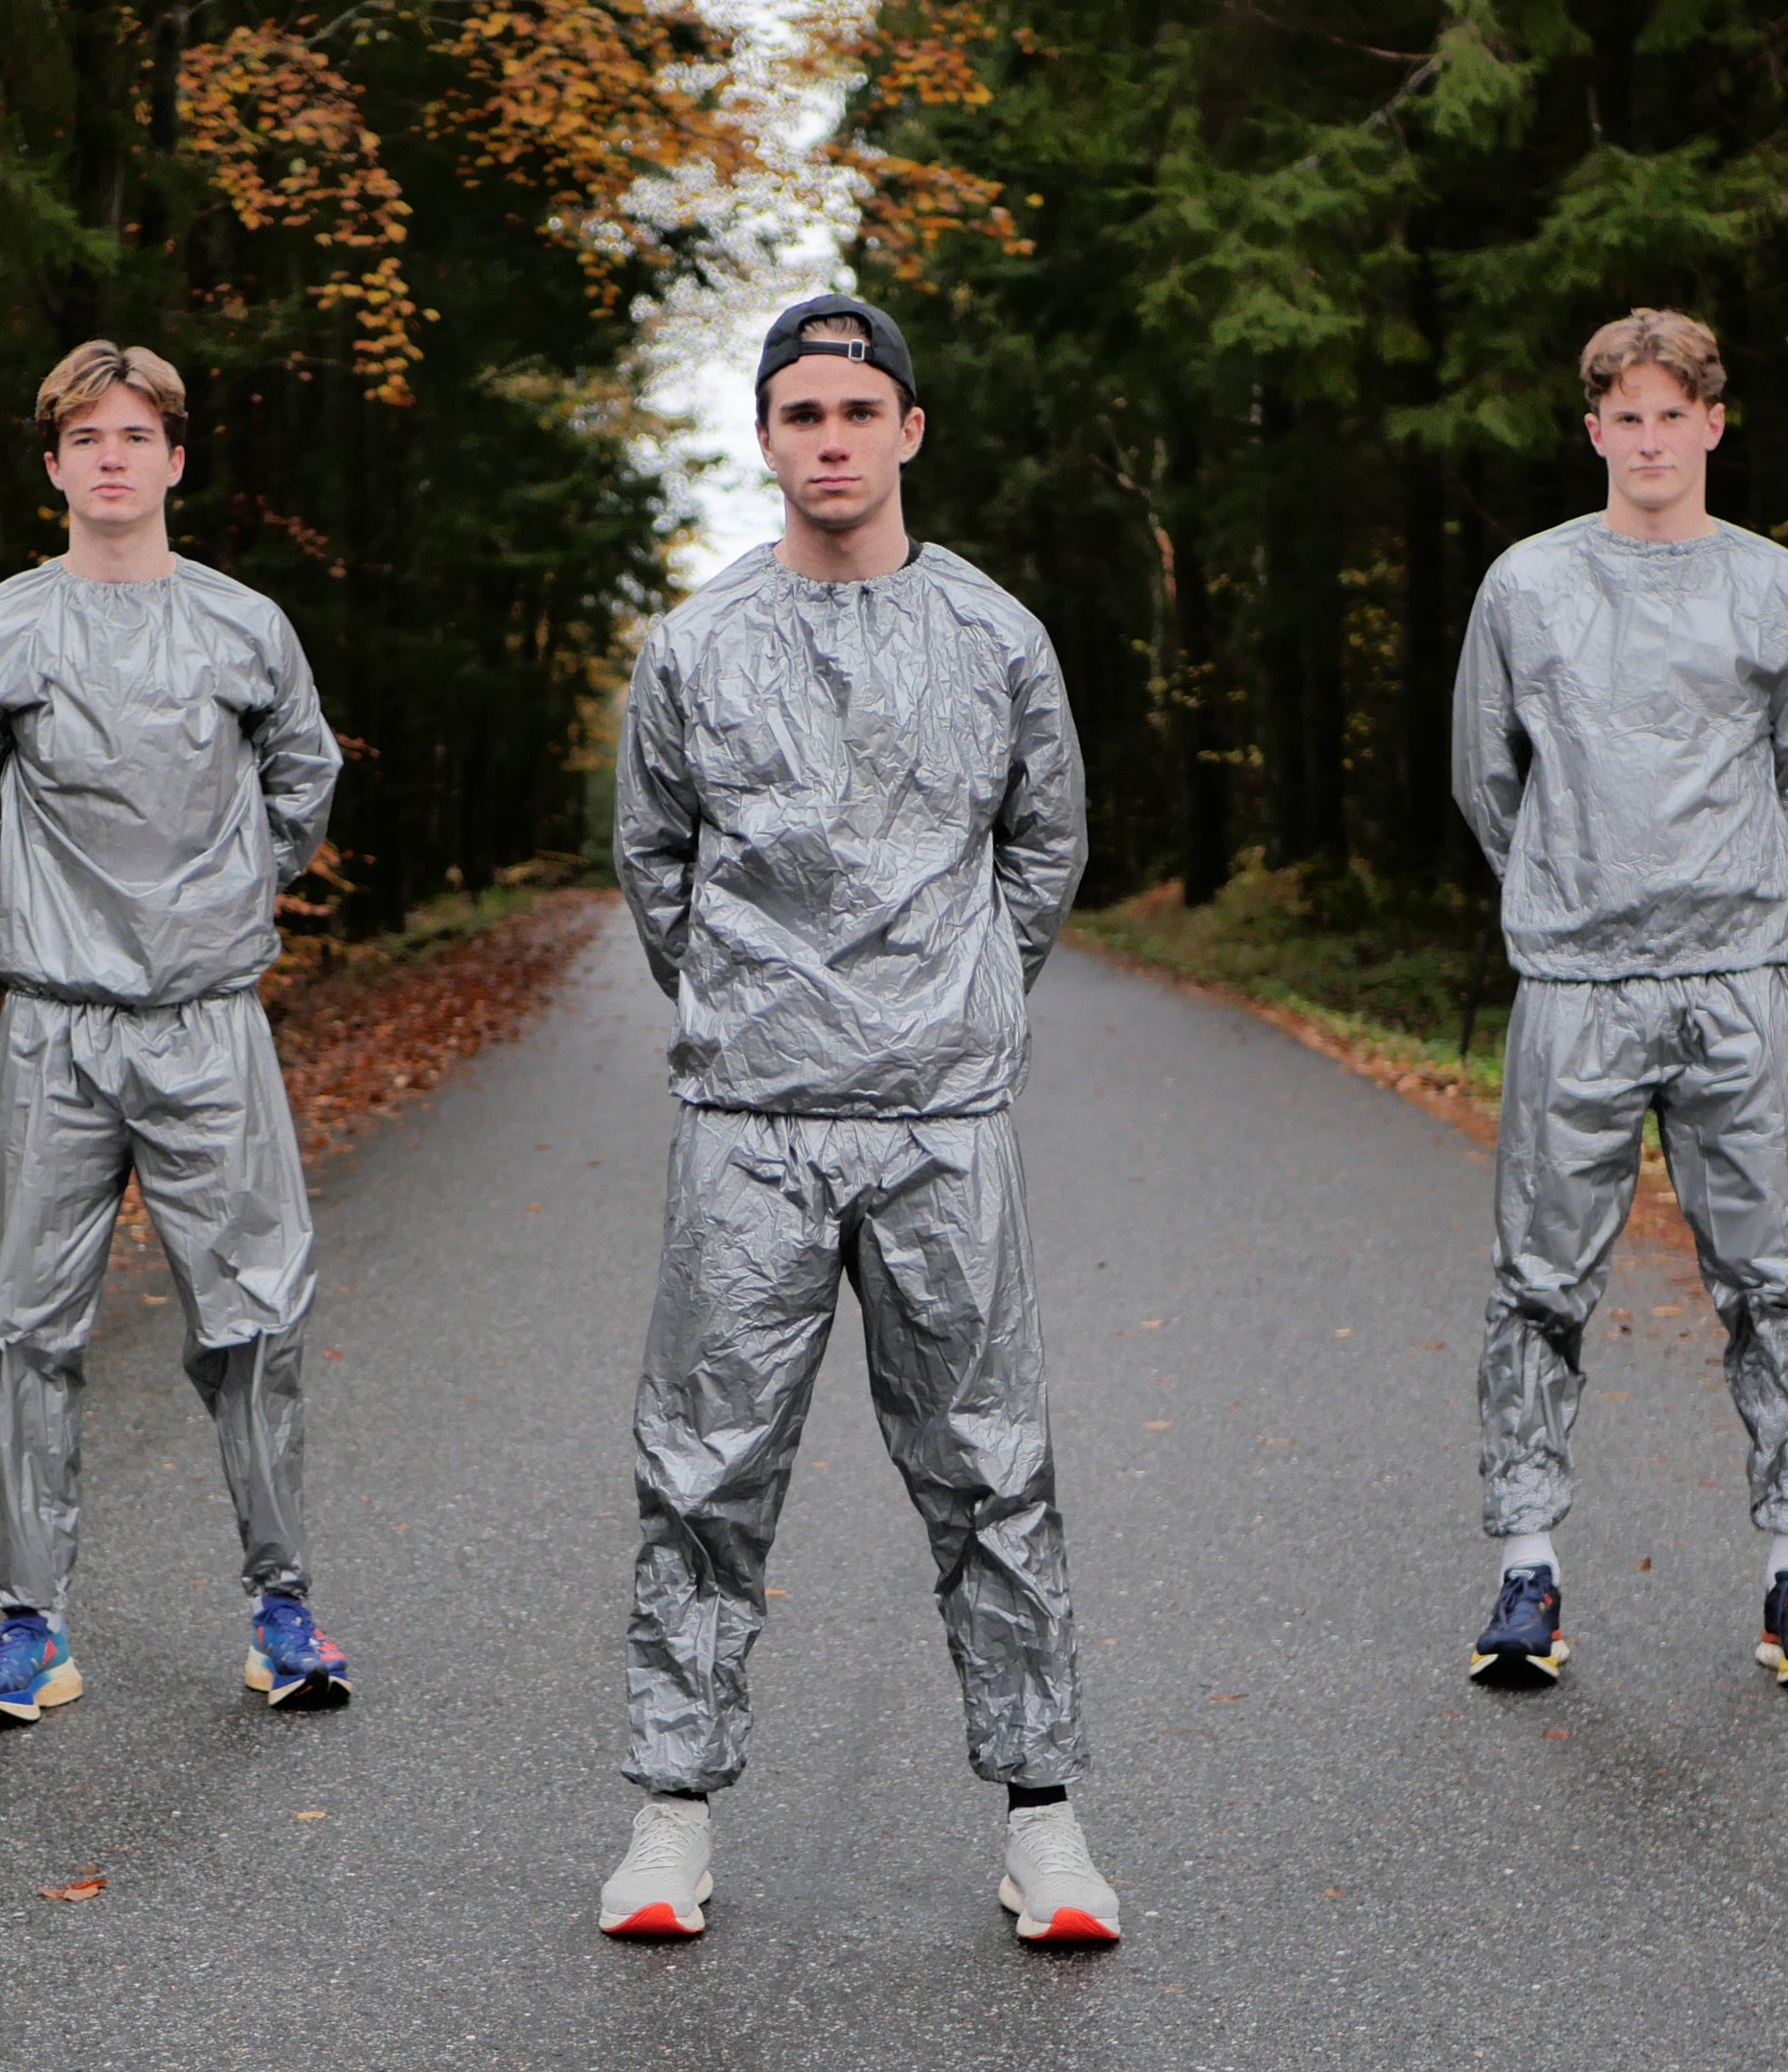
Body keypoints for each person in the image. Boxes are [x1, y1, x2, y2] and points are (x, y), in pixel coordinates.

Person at [592, 293, 1114, 1946]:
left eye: (858, 410)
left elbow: (1042, 846)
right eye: (801, 413)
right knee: (704, 1468)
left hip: (941, 1123)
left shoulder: (996, 637)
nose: (831, 440)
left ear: (909, 429)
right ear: (765, 438)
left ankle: (1044, 1822)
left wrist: (961, 1000)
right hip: (748, 1120)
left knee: (992, 1466)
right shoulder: (697, 644)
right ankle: (672, 1815)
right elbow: (655, 862)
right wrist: (749, 1004)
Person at [0, 340, 353, 1727]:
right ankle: (29, 1629)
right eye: (84, 438)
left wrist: (223, 898)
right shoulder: (1, 629)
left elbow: (302, 775)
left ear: (174, 458)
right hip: (54, 1031)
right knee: (26, 1330)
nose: (110, 459)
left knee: (255, 1321)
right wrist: (46, 905)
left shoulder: (244, 625)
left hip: (208, 1027)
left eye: (134, 436)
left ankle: (283, 1613)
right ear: (53, 465)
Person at [1449, 307, 1788, 1696]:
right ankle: (1526, 1569)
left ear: (1711, 424)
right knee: (1539, 1278)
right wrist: (1570, 890)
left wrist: (1727, 894)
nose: (1648, 439)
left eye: (1670, 414)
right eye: (1624, 417)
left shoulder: (1778, 591)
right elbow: (1487, 778)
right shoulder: (1526, 586)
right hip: (1575, 985)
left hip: (1738, 984)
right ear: (1594, 432)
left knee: (1775, 1278)